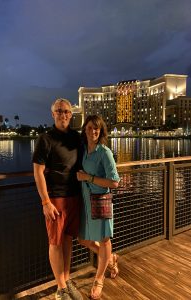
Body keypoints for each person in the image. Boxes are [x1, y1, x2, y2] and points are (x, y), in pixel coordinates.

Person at [33, 98, 83, 300]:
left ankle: (67, 280)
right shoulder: (45, 139)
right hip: (55, 198)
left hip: (74, 196)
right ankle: (60, 289)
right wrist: (45, 201)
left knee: (68, 240)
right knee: (55, 242)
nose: (63, 114)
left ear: (71, 115)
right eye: (59, 111)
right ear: (52, 114)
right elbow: (37, 171)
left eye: (66, 111)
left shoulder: (76, 137)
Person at [76, 115, 120, 299]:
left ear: (101, 131)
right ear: (85, 129)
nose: (93, 131)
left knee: (103, 240)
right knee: (82, 239)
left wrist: (89, 178)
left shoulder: (104, 152)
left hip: (101, 199)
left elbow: (115, 182)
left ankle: (99, 279)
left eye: (97, 128)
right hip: (86, 201)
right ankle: (110, 258)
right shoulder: (84, 150)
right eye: (90, 128)